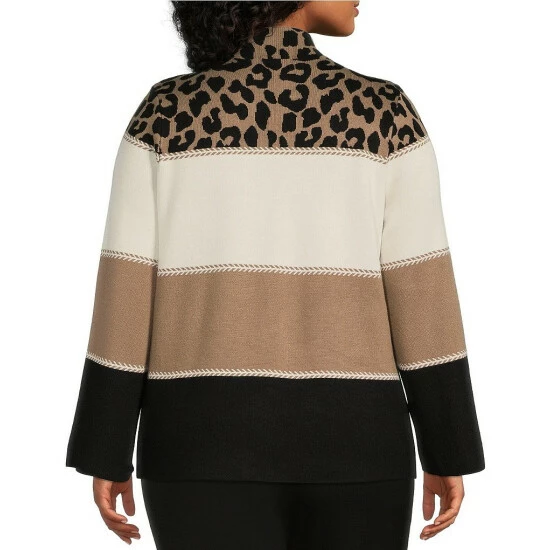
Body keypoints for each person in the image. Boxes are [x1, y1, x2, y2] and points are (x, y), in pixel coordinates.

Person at [65, 2, 485, 548]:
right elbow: (423, 294)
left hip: (197, 447)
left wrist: (106, 444)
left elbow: (124, 291)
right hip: (359, 446)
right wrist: (447, 445)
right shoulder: (385, 115)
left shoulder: (166, 115)